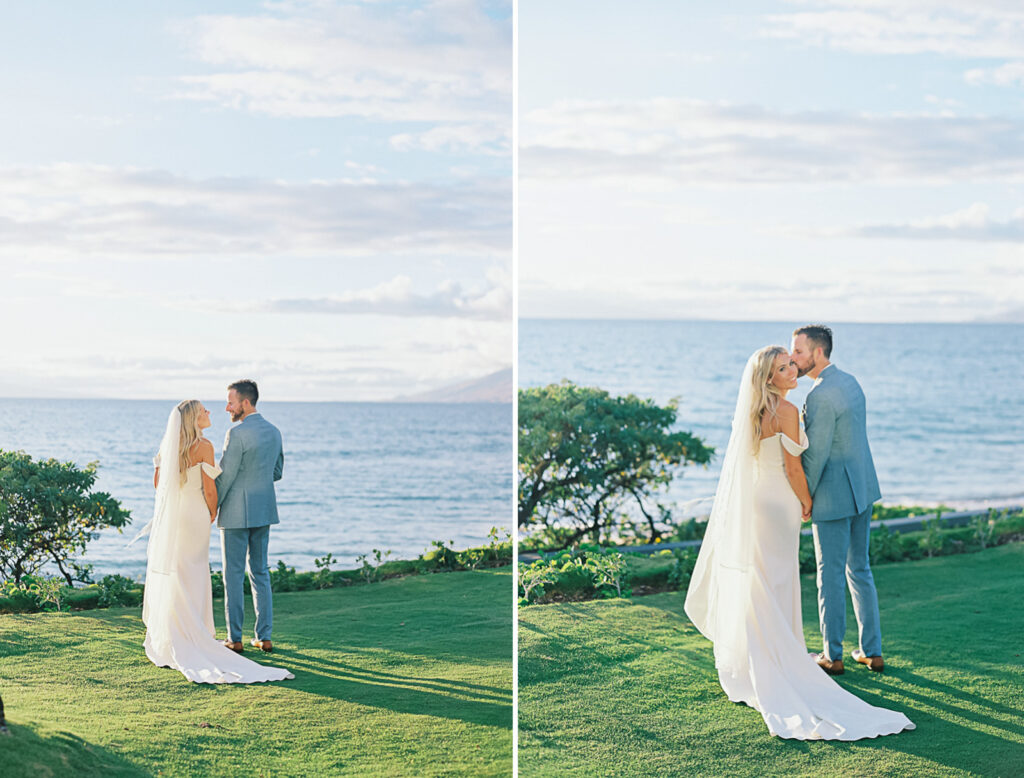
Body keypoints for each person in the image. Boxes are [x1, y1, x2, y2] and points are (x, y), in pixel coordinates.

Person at [684, 346, 913, 739]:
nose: (793, 369)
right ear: (769, 378)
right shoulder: (787, 412)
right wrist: (806, 502)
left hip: (757, 502)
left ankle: (761, 656)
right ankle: (783, 656)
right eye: (783, 367)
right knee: (779, 577)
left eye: (791, 363)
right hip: (780, 505)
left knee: (760, 577)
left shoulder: (753, 413)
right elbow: (793, 467)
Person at [142, 399, 293, 684]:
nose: (211, 412)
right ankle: (247, 635)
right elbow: (211, 489)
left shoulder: (168, 445)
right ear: (193, 419)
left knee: (179, 570)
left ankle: (183, 633)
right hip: (202, 514)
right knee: (201, 571)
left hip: (176, 514)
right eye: (203, 411)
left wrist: (181, 498)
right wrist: (211, 510)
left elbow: (158, 484)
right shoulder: (207, 446)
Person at [791, 324, 884, 675]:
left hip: (832, 496)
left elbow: (815, 456)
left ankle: (832, 655)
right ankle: (872, 651)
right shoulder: (851, 382)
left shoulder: (819, 395)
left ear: (818, 353)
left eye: (798, 352)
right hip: (862, 488)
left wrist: (803, 498)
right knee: (859, 569)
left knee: (829, 574)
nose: (793, 358)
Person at [215, 380, 284, 654]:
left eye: (230, 402)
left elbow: (226, 476)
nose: (227, 407)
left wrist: (211, 507)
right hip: (264, 509)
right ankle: (264, 637)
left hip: (234, 512)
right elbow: (277, 472)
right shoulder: (275, 431)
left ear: (245, 403)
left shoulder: (236, 433)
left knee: (232, 575)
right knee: (260, 572)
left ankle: (235, 638)